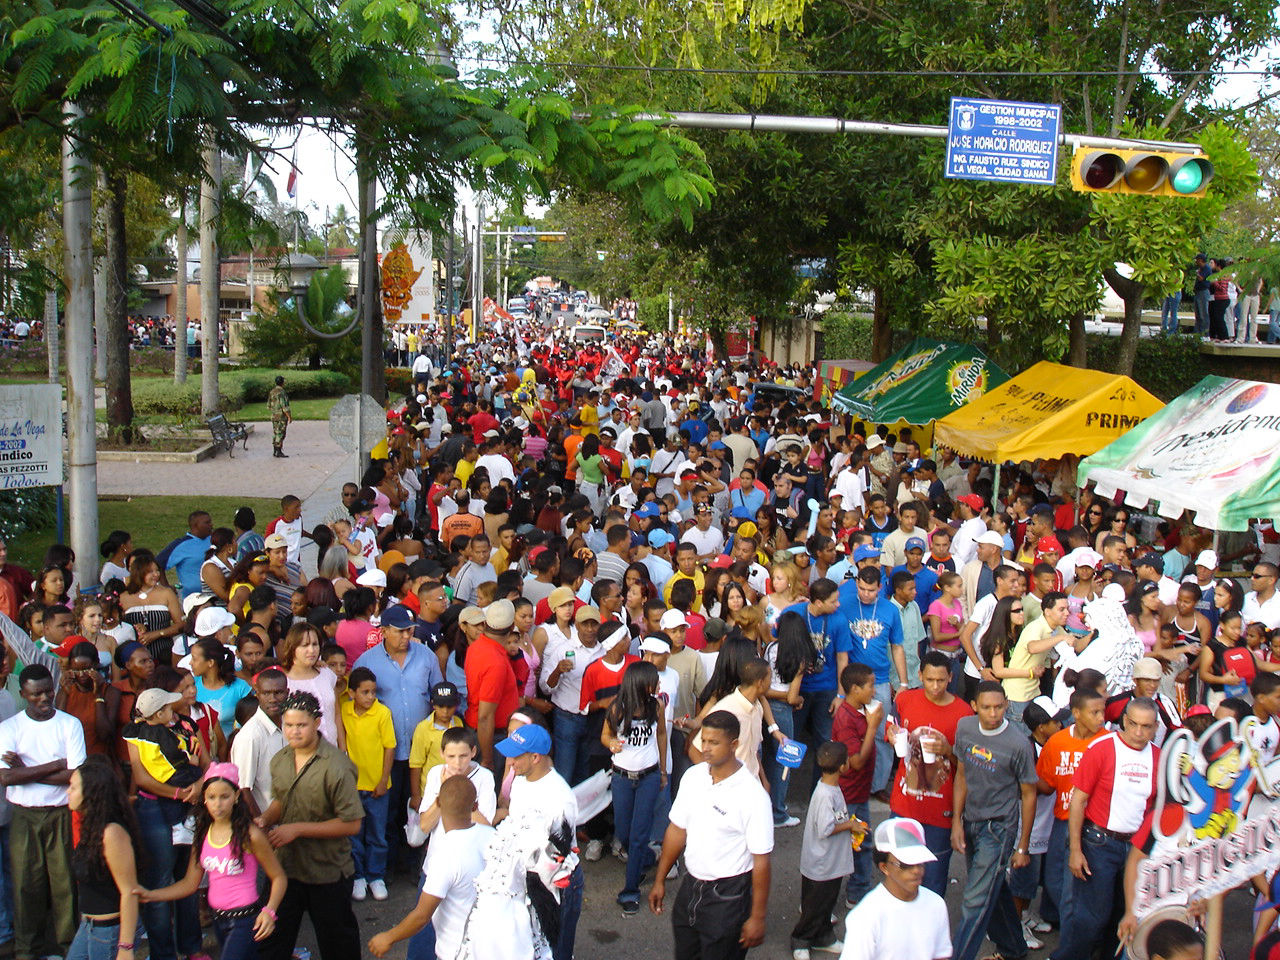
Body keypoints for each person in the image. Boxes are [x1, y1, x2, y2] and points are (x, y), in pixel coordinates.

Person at [650, 710, 774, 960]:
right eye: (703, 740)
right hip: (691, 887)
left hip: (729, 896)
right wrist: (659, 879)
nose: (705, 748)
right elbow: (676, 830)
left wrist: (757, 917)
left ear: (734, 745)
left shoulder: (752, 795)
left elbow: (761, 861)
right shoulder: (693, 777)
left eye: (714, 742)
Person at [1048, 697, 1160, 960]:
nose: (1138, 732)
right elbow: (1078, 800)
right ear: (1123, 721)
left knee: (1123, 917)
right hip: (1099, 842)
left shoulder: (1159, 756)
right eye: (1133, 724)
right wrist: (1075, 850)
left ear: (1155, 727)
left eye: (1146, 726)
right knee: (1088, 919)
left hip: (1137, 849)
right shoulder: (1102, 748)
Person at [140, 763, 287, 960]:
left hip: (244, 921)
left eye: (224, 797)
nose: (218, 804)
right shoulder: (202, 834)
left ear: (236, 797)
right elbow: (189, 884)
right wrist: (151, 895)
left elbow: (278, 877)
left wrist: (269, 912)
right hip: (218, 919)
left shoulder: (249, 835)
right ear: (204, 800)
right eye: (211, 797)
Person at [257, 691, 363, 960]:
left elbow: (351, 824)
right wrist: (265, 819)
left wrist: (298, 829)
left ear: (317, 722)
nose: (294, 732)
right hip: (287, 868)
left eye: (301, 725)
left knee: (338, 945)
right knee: (272, 943)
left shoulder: (338, 766)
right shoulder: (280, 759)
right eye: (288, 725)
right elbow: (282, 799)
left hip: (327, 870)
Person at [0, 664, 87, 960]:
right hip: (24, 816)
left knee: (65, 885)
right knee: (26, 886)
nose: (44, 698)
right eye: (36, 694)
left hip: (61, 812)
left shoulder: (69, 724)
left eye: (48, 691)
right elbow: (6, 777)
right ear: (23, 694)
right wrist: (53, 765)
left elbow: (75, 775)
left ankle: (68, 949)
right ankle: (27, 950)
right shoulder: (10, 728)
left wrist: (26, 770)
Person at [354, 603, 444, 870]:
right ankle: (390, 865)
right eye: (400, 632)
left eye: (410, 631)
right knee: (388, 812)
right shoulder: (367, 662)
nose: (407, 637)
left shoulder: (426, 656)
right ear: (383, 631)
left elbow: (437, 694)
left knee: (420, 806)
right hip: (387, 753)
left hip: (421, 750)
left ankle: (416, 862)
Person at [951, 681, 1036, 960]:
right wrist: (956, 822)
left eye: (999, 706)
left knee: (975, 900)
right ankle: (1014, 948)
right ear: (974, 706)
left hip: (999, 828)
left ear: (1007, 705)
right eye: (986, 707)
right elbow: (961, 776)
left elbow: (1028, 794)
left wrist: (1022, 846)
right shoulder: (964, 728)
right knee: (992, 888)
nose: (993, 713)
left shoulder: (1018, 744)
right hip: (971, 819)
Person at [367, 777, 493, 960]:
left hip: (459, 951)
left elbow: (421, 916)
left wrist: (388, 937)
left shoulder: (444, 855)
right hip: (492, 946)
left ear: (439, 804)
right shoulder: (493, 836)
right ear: (475, 806)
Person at [494, 723, 584, 960]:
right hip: (528, 878)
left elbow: (558, 855)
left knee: (556, 951)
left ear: (535, 757)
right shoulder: (520, 781)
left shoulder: (559, 797)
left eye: (516, 756)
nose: (510, 762)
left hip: (556, 883)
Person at [888, 650, 973, 897]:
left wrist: (948, 750)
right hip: (904, 806)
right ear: (919, 676)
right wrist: (891, 733)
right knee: (900, 872)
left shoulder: (964, 713)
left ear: (951, 678)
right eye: (929, 680)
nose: (935, 687)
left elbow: (965, 769)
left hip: (940, 812)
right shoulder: (905, 701)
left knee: (933, 881)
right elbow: (892, 726)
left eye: (941, 680)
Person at [1036, 686, 1106, 942]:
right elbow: (1046, 785)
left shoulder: (1107, 742)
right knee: (1054, 879)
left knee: (1072, 888)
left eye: (1102, 711)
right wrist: (1022, 780)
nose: (1101, 718)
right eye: (1095, 712)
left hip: (1094, 826)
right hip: (1061, 821)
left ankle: (1071, 944)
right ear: (1076, 713)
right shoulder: (1057, 742)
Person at [602, 660, 667, 915]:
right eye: (654, 679)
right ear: (640, 683)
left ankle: (630, 891)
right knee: (624, 831)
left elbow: (661, 734)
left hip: (648, 776)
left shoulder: (657, 706)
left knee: (639, 834)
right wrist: (611, 744)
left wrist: (662, 770)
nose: (658, 683)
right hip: (621, 777)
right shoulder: (618, 708)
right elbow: (605, 735)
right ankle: (646, 860)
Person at [838, 817, 951, 960]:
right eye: (906, 864)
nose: (916, 870)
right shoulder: (865, 916)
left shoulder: (936, 904)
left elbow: (941, 955)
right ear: (884, 867)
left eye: (920, 862)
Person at [790, 741, 861, 960]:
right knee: (815, 905)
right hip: (822, 863)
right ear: (842, 766)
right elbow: (825, 828)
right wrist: (850, 825)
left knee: (825, 903)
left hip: (830, 862)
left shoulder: (830, 788)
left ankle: (823, 937)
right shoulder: (825, 794)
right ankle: (800, 939)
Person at [66, 755, 141, 960]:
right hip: (89, 927)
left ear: (91, 792)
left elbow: (129, 891)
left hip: (108, 931)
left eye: (73, 788)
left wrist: (125, 947)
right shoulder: (91, 826)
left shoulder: (112, 833)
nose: (68, 792)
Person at [340, 666, 396, 903]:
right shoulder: (344, 709)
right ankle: (358, 876)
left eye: (373, 692)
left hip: (377, 786)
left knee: (377, 834)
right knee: (354, 835)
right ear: (352, 693)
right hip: (353, 785)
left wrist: (383, 780)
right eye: (365, 692)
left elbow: (389, 747)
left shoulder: (382, 713)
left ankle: (376, 876)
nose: (370, 697)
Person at [831, 663, 879, 908]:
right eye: (870, 685)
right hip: (850, 793)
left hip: (859, 791)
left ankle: (857, 886)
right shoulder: (845, 718)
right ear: (854, 688)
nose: (874, 690)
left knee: (859, 841)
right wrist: (872, 728)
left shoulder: (862, 710)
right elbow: (857, 762)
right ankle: (857, 891)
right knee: (859, 843)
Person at [229, 668, 287, 817]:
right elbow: (243, 789)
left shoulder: (291, 725)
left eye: (278, 692)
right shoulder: (250, 735)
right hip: (268, 826)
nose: (272, 699)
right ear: (257, 694)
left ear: (287, 693)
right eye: (266, 693)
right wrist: (262, 827)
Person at [268, 376, 292, 458]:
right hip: (281, 417)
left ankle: (275, 450)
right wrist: (289, 416)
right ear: (282, 382)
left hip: (274, 416)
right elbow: (284, 406)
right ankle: (278, 451)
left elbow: (269, 405)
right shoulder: (282, 392)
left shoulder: (272, 392)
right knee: (281, 433)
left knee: (276, 432)